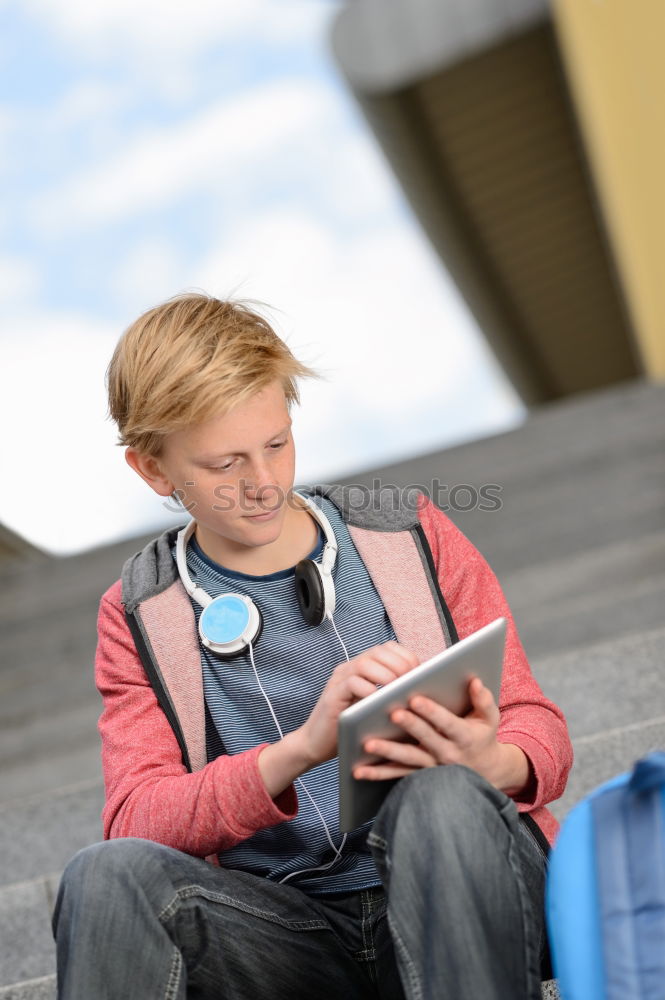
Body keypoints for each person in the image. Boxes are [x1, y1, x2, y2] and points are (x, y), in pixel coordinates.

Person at [52, 292, 573, 1000]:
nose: (263, 484)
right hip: (289, 937)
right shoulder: (140, 610)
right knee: (102, 876)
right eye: (224, 464)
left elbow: (536, 726)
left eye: (276, 443)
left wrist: (489, 759)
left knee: (445, 795)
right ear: (153, 471)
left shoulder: (408, 537)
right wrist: (300, 750)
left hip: (455, 893)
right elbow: (136, 818)